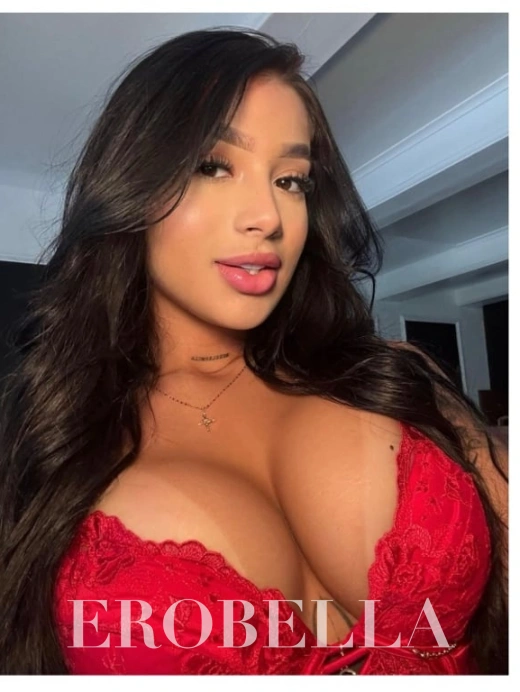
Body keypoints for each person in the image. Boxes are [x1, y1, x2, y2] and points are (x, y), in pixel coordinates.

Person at [0, 27, 508, 675]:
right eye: (214, 166)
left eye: (292, 180)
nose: (268, 216)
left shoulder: (393, 377)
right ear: (131, 184)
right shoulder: (48, 443)